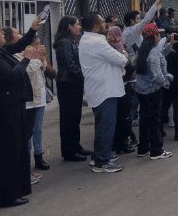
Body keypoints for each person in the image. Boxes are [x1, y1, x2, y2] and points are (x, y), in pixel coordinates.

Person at [0, 18, 42, 207]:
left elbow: (18, 45)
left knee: (16, 149)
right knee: (9, 151)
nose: (3, 34)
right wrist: (27, 58)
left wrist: (32, 30)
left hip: (12, 106)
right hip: (3, 111)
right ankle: (6, 194)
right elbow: (11, 77)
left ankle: (11, 189)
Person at [79, 12, 128, 173]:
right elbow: (122, 59)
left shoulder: (89, 40)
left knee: (102, 126)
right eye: (102, 23)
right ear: (95, 26)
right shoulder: (97, 43)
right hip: (104, 90)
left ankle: (99, 156)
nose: (106, 26)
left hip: (100, 89)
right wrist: (122, 52)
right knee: (106, 126)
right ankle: (103, 161)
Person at [53, 16, 90, 162]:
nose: (79, 27)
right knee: (69, 118)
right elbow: (70, 64)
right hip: (67, 83)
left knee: (75, 116)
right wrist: (83, 76)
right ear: (69, 26)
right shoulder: (64, 43)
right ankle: (69, 151)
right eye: (77, 25)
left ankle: (76, 145)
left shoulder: (72, 41)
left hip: (74, 83)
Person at [134, 23, 173, 159]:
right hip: (153, 91)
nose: (160, 36)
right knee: (155, 120)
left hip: (141, 91)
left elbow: (159, 58)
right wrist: (166, 83)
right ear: (154, 36)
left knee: (144, 119)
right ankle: (156, 150)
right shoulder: (153, 52)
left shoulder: (143, 51)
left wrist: (169, 46)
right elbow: (158, 75)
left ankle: (143, 148)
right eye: (158, 34)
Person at [107, 25, 136, 155]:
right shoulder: (111, 49)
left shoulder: (120, 47)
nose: (110, 37)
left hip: (124, 85)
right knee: (122, 117)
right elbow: (127, 65)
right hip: (119, 86)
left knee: (123, 116)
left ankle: (122, 142)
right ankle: (121, 144)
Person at [24, 37, 51, 175]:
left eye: (40, 43)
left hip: (40, 97)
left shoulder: (38, 56)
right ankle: (26, 161)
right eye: (36, 44)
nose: (39, 46)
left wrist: (42, 58)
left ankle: (39, 155)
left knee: (38, 129)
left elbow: (43, 69)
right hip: (29, 100)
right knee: (28, 132)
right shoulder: (24, 56)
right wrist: (38, 58)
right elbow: (29, 70)